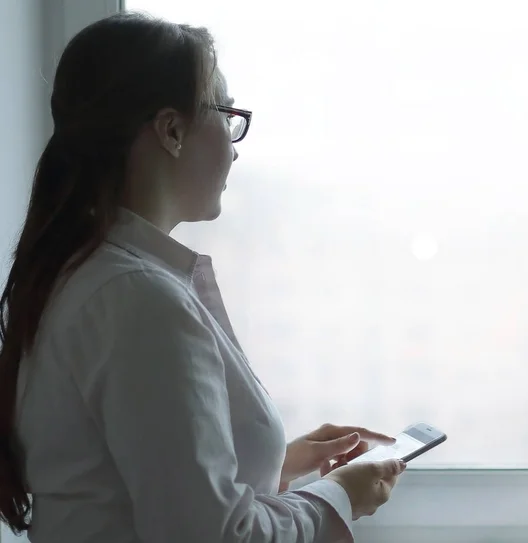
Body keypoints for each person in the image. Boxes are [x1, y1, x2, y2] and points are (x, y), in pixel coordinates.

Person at [0, 12, 405, 543]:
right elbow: (215, 536)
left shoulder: (88, 277)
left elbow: (134, 483)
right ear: (171, 130)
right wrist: (340, 497)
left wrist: (276, 462)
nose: (235, 146)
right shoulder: (137, 299)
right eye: (227, 113)